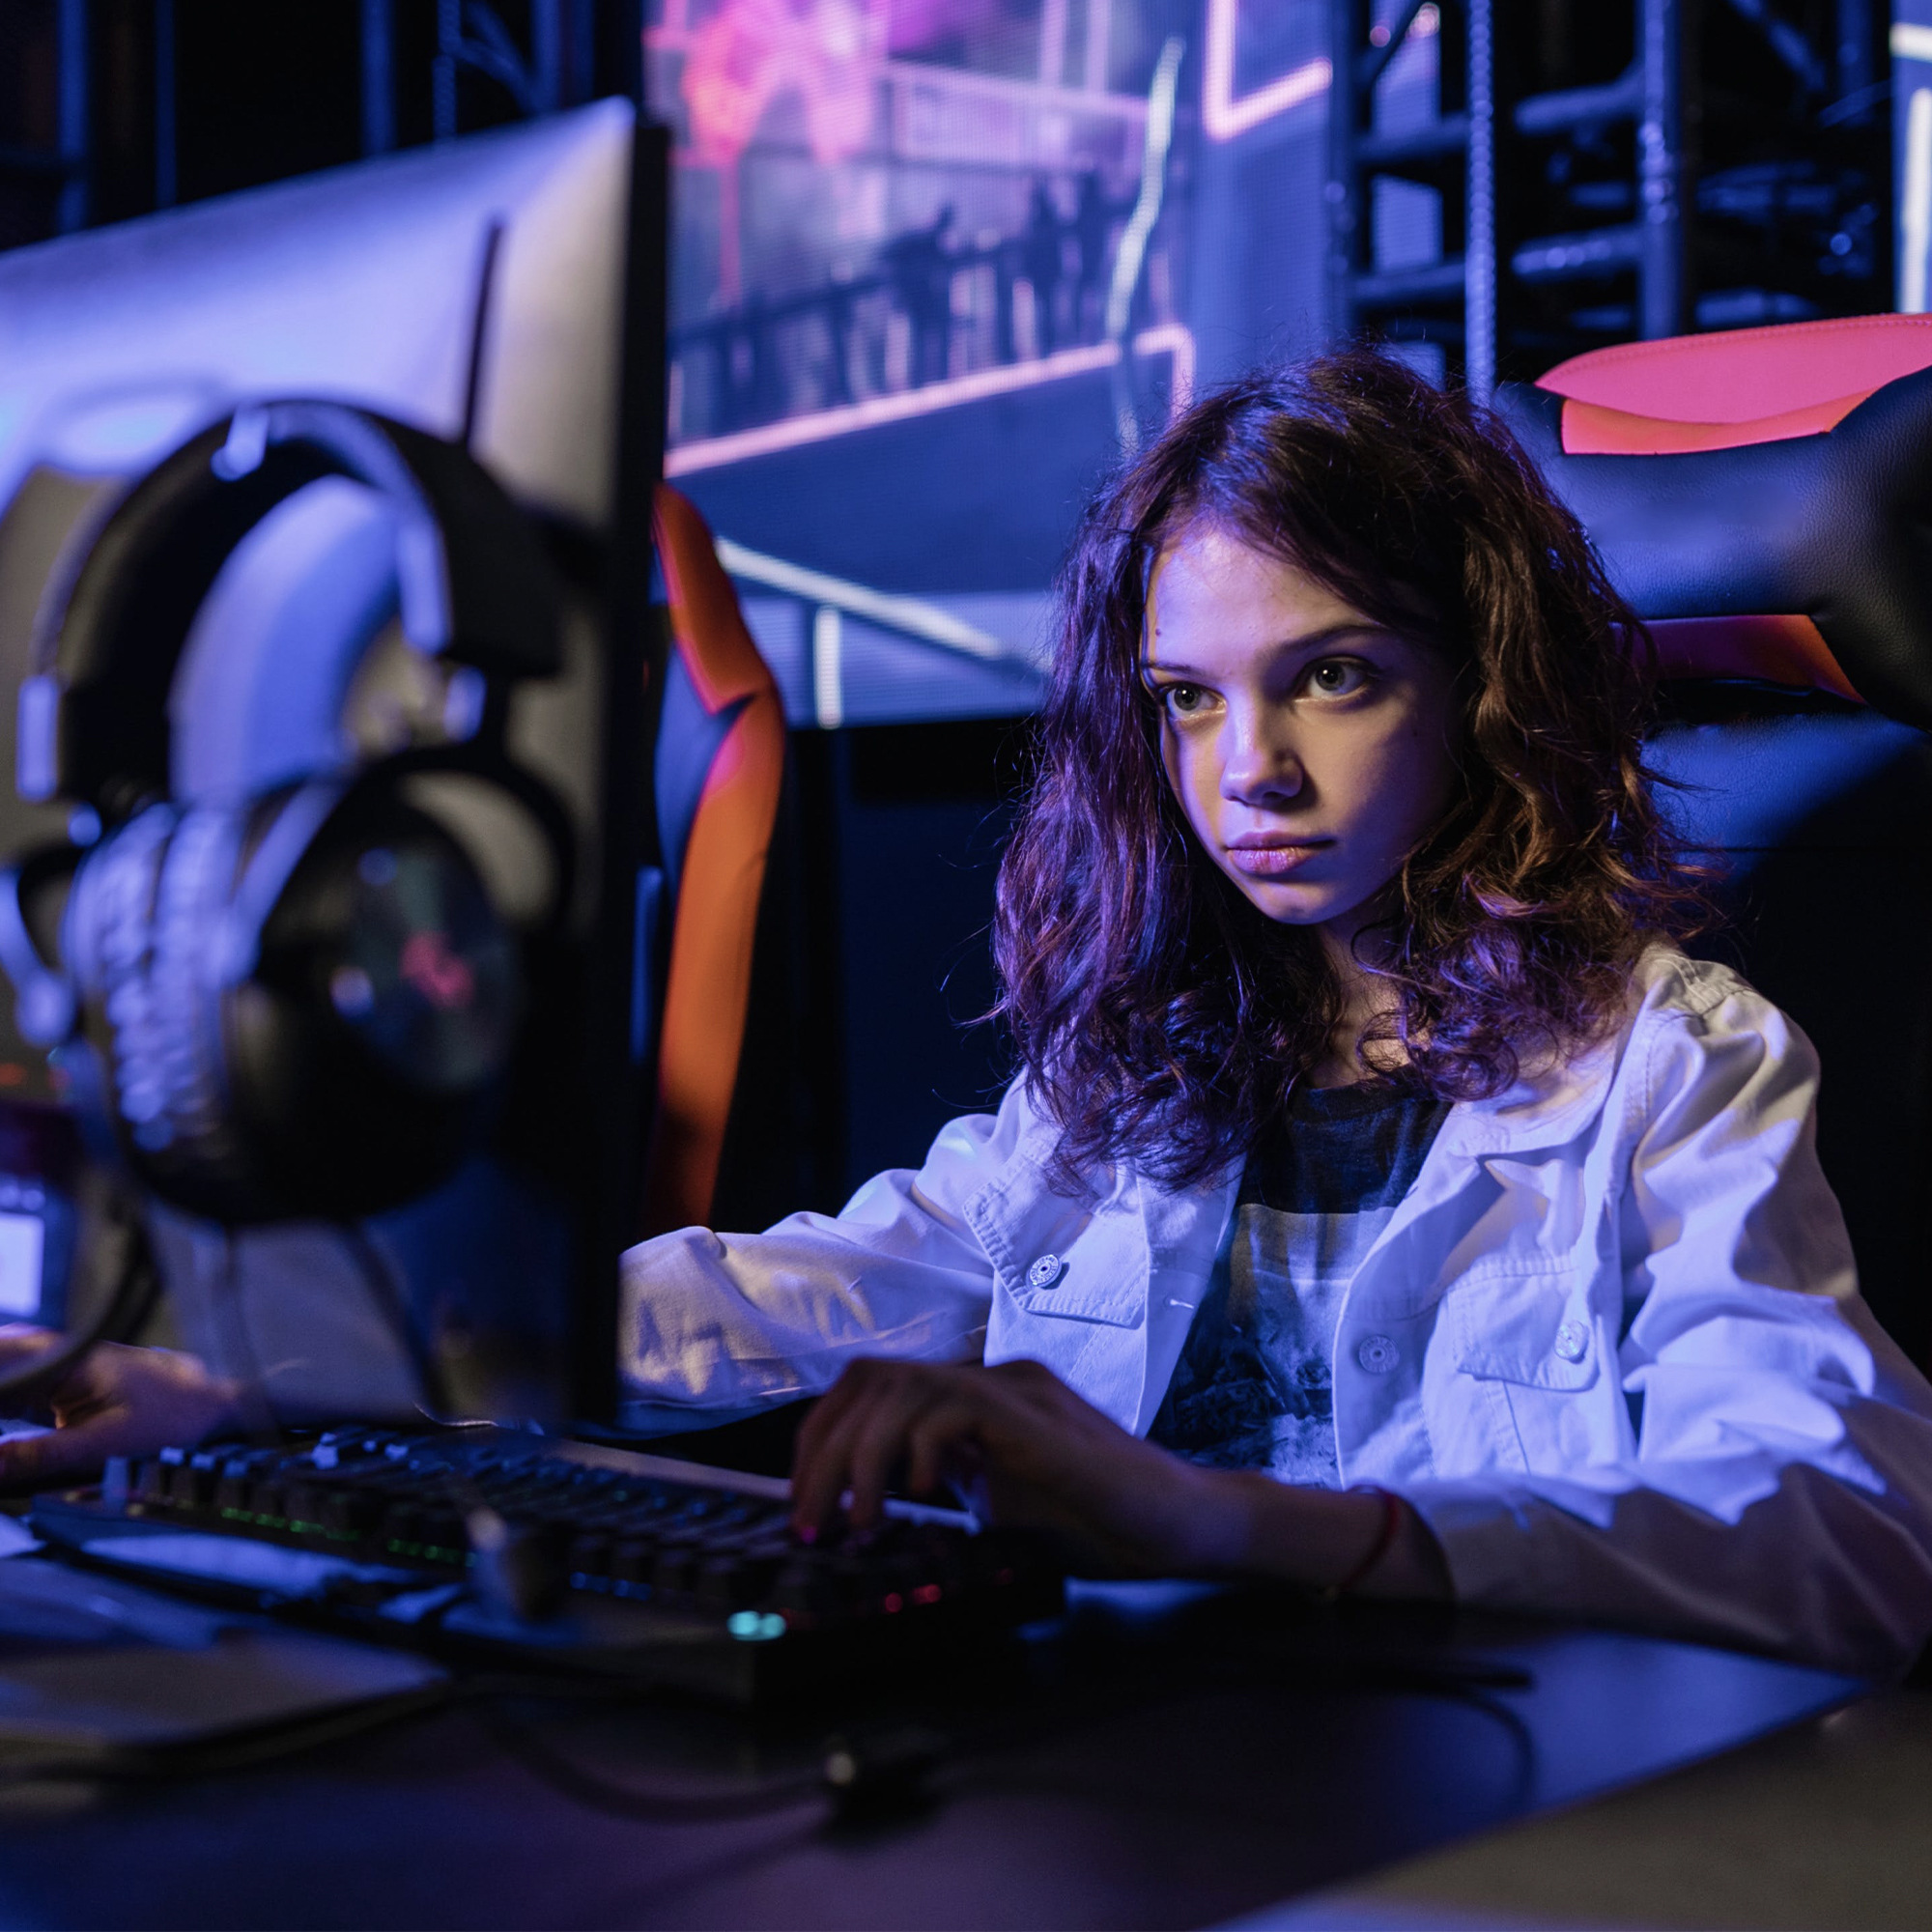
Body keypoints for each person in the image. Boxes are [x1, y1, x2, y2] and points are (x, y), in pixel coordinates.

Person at [7, 352, 1932, 1679]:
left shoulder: (1673, 1064)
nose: (1249, 769)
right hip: (1157, 1796)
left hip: (1496, 1820)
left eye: (1332, 677)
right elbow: (794, 1293)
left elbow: (1845, 1529)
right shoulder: (1142, 1068)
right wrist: (276, 1383)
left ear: (1474, 690)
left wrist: (1227, 1523)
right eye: (1188, 699)